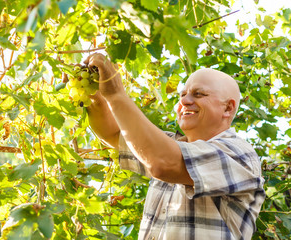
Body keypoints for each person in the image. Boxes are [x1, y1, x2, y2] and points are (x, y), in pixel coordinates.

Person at [85, 53, 265, 240]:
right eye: (182, 95)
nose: (184, 101)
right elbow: (114, 134)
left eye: (198, 94)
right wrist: (94, 93)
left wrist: (116, 94)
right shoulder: (168, 146)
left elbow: (163, 162)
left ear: (228, 108)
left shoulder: (239, 153)